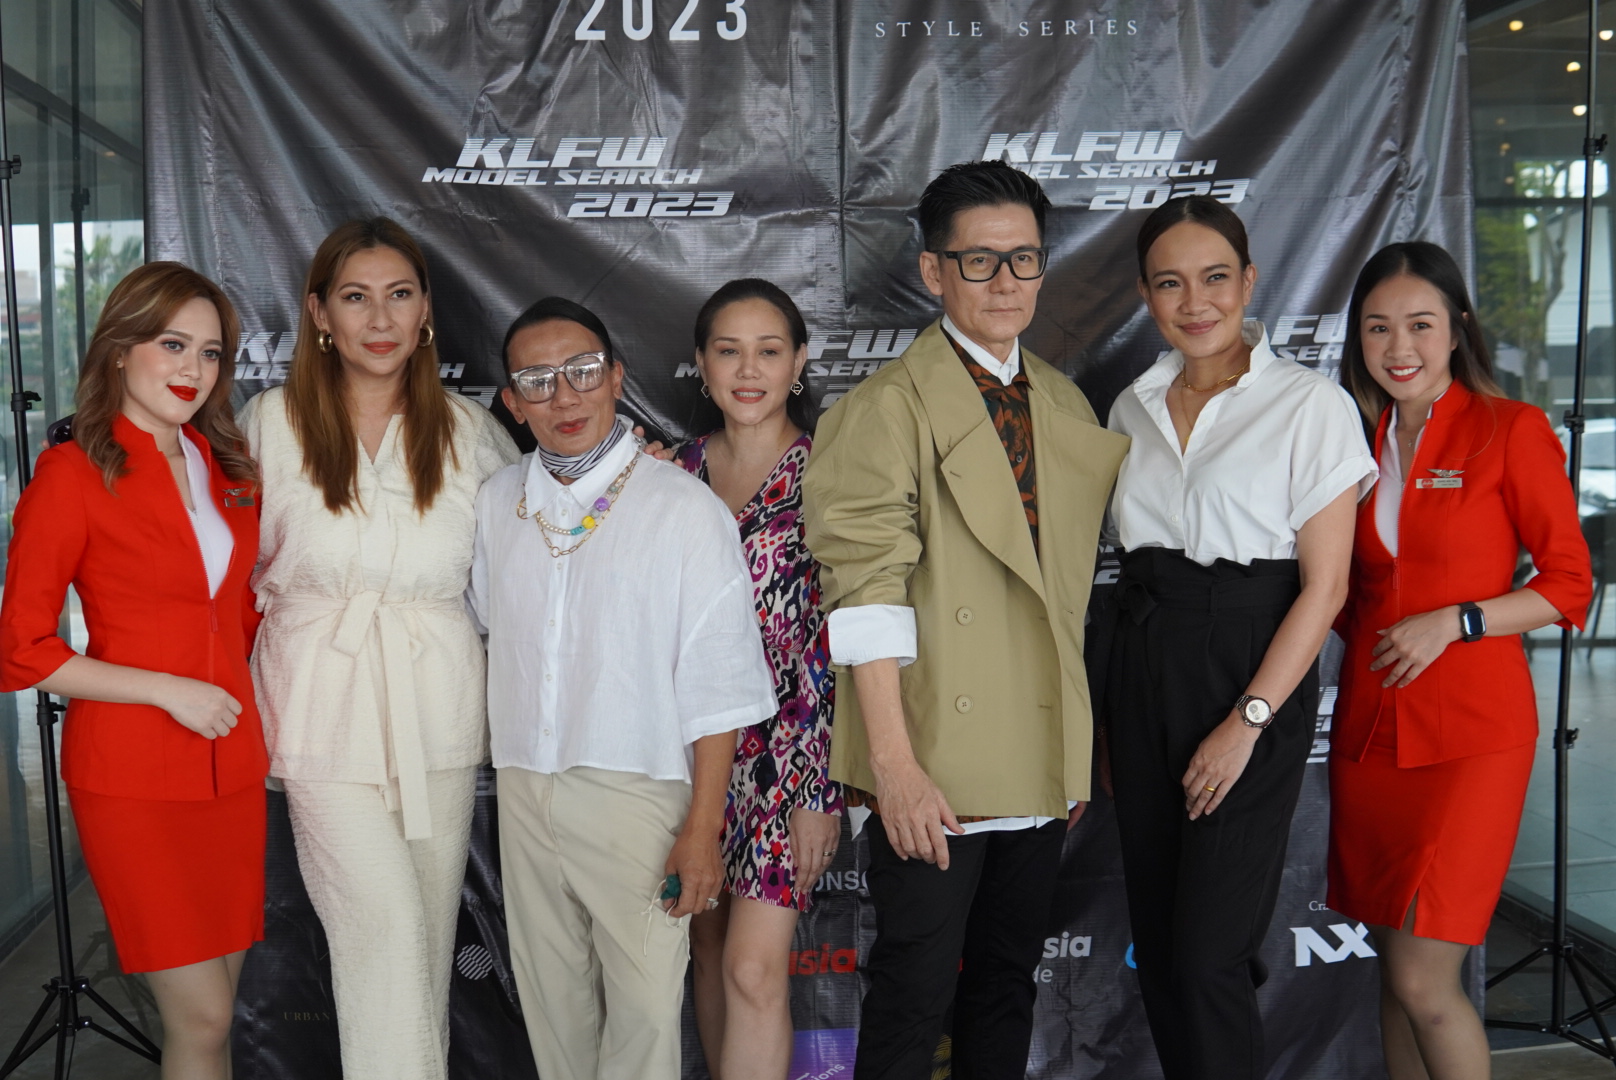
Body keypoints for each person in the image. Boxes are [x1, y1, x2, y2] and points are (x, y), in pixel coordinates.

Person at [802, 160, 1129, 1080]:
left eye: (1024, 259)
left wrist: (1069, 744)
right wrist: (895, 768)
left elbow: (1063, 597)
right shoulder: (884, 409)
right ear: (933, 271)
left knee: (1005, 983)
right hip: (932, 754)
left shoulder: (1060, 400)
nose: (1006, 282)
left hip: (1034, 747)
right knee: (912, 992)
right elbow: (864, 598)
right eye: (979, 261)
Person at [1103, 195, 1376, 1080]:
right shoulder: (1130, 408)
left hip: (1249, 668)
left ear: (1249, 281)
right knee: (1160, 947)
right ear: (1145, 294)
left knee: (1207, 956)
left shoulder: (1310, 406)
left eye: (1215, 277)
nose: (1196, 302)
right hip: (1142, 665)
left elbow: (1326, 586)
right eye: (1170, 283)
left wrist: (1248, 719)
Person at [238, 218, 519, 1080]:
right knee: (383, 930)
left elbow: (537, 554)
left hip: (438, 710)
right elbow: (208, 560)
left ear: (427, 308)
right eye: (356, 297)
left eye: (399, 294)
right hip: (319, 710)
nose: (380, 317)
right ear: (320, 313)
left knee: (423, 949)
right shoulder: (269, 424)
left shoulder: (469, 431)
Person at [470, 297, 776, 1080]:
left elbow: (719, 685)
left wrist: (703, 827)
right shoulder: (498, 503)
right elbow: (488, 628)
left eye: (581, 372)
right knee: (554, 1012)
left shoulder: (682, 508)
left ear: (615, 377)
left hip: (637, 792)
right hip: (525, 787)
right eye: (537, 381)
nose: (563, 396)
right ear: (511, 403)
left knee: (642, 1020)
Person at [1329, 242, 1591, 1080]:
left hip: (1474, 737)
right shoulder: (1350, 440)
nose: (1398, 346)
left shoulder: (1510, 429)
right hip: (1373, 736)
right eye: (1378, 327)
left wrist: (1459, 621)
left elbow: (1569, 582)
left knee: (1423, 979)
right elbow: (1342, 594)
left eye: (1419, 324)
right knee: (1394, 977)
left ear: (1457, 329)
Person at [0, 262, 264, 1080]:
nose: (193, 369)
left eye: (211, 353)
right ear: (119, 349)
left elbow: (241, 616)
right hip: (133, 778)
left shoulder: (228, 468)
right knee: (203, 1016)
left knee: (221, 1012)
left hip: (233, 768)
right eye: (172, 345)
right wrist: (164, 689)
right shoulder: (73, 474)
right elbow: (23, 649)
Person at [676, 279, 842, 1080]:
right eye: (729, 351)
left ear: (799, 362)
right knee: (707, 955)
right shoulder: (667, 475)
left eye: (769, 351)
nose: (749, 370)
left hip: (789, 756)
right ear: (701, 364)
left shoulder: (833, 473)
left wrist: (820, 792)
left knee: (751, 967)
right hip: (686, 748)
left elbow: (843, 644)